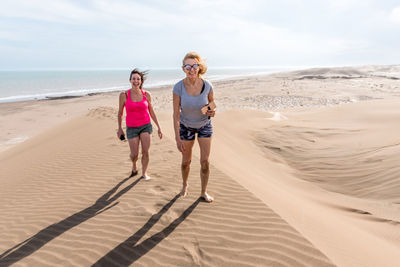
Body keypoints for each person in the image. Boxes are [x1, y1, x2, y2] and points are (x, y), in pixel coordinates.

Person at [173, 52, 216, 203]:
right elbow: (176, 114)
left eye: (194, 65)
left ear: (199, 67)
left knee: (205, 161)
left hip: (205, 126)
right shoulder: (178, 87)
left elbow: (212, 105)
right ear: (183, 68)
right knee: (186, 162)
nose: (191, 69)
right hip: (186, 127)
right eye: (188, 66)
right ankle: (185, 185)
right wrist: (177, 138)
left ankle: (204, 192)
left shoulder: (208, 85)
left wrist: (212, 111)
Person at [117, 68, 162, 180]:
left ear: (141, 81)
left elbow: (151, 111)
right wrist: (119, 128)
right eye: (134, 79)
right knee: (134, 155)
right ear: (130, 80)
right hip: (131, 128)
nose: (136, 81)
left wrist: (159, 127)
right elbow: (120, 113)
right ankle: (134, 165)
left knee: (146, 152)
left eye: (138, 79)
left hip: (146, 125)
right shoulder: (124, 95)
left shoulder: (147, 94)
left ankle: (144, 173)